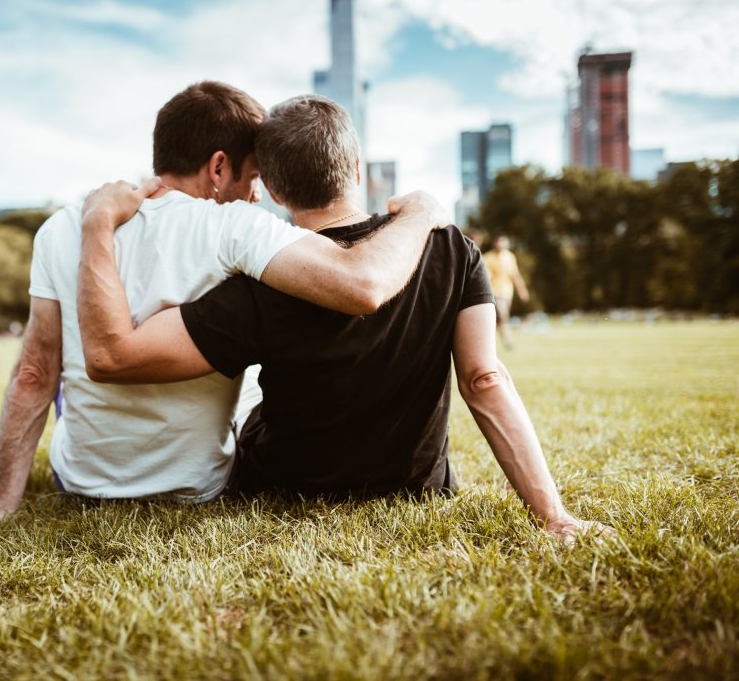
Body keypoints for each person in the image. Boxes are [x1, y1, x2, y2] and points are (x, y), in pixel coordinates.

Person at [75, 95, 610, 542]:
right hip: (414, 487)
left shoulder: (262, 282)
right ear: (356, 169)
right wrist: (554, 517)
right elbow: (484, 379)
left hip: (287, 488)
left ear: (277, 192)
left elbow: (120, 357)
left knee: (242, 396)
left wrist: (99, 228)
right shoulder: (452, 249)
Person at [0, 81, 446, 529]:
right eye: (252, 178)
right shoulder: (235, 227)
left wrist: (1, 511)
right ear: (218, 167)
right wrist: (421, 213)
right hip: (199, 490)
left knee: (52, 364)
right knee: (250, 366)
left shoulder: (64, 225)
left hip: (82, 485)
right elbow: (361, 283)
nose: (255, 197)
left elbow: (34, 375)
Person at [483, 235, 530, 349]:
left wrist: (522, 290)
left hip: (507, 293)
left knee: (501, 319)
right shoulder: (487, 257)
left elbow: (515, 275)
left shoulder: (509, 257)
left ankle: (496, 341)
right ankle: (505, 342)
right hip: (493, 292)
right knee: (500, 317)